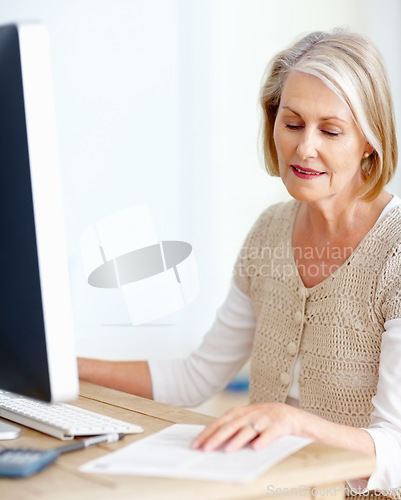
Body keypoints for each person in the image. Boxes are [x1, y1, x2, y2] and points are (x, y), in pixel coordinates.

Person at [78, 29, 401, 496]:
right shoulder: (270, 232)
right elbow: (193, 378)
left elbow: (396, 448)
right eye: (291, 123)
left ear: (370, 141)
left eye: (331, 131)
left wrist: (292, 422)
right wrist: (59, 370)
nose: (305, 147)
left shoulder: (394, 251)